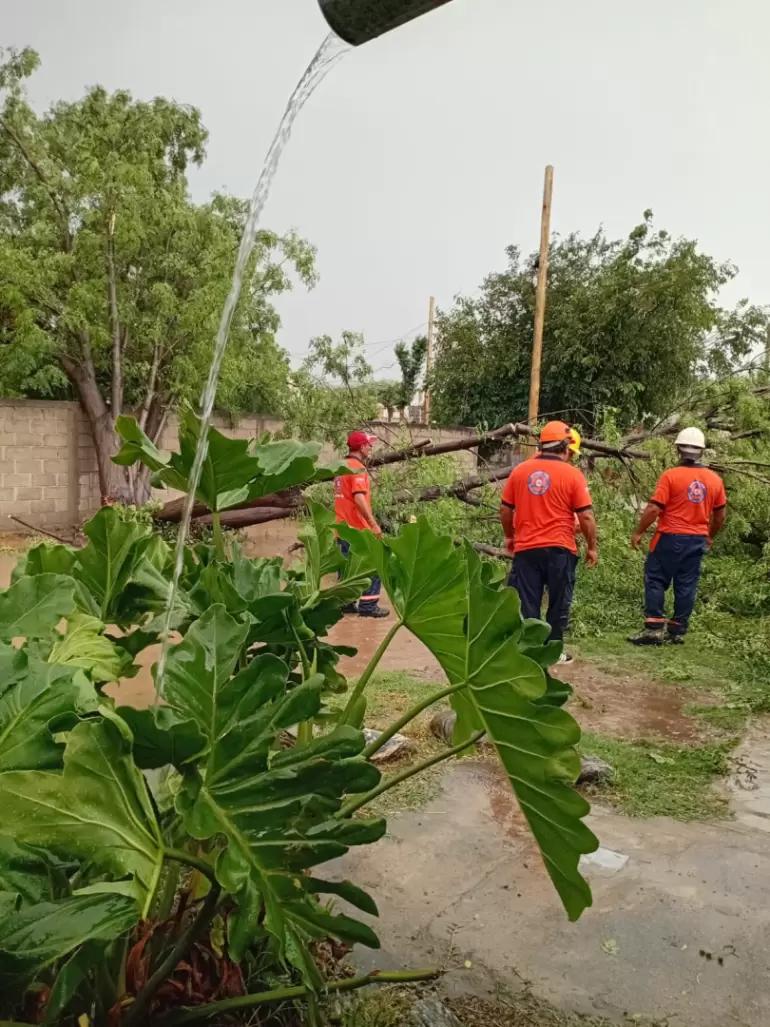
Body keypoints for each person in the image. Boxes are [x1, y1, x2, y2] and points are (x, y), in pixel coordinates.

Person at [500, 421, 598, 664]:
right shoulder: (573, 475)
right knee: (558, 603)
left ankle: (530, 651)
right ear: (565, 446)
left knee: (527, 603)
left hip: (527, 550)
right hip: (560, 550)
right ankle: (554, 651)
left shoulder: (520, 471)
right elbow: (586, 516)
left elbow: (505, 509)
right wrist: (592, 547)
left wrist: (510, 536)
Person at [628, 427, 726, 646]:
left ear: (678, 450)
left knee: (655, 579)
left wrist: (638, 531)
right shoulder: (715, 480)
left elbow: (654, 508)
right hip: (697, 539)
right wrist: (709, 537)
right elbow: (720, 516)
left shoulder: (671, 476)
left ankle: (654, 629)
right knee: (686, 584)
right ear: (701, 451)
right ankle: (677, 630)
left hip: (669, 537)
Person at [334, 430, 390, 619]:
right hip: (357, 530)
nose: (371, 447)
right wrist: (373, 524)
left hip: (342, 529)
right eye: (369, 445)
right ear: (362, 447)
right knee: (373, 565)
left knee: (347, 568)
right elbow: (358, 497)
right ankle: (368, 605)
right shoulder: (357, 469)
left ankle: (346, 603)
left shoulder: (341, 467)